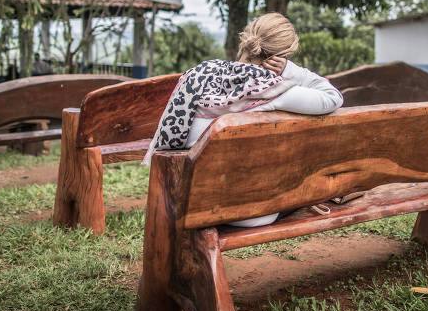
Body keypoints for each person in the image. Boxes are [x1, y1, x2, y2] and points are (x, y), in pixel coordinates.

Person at [143, 12, 344, 227]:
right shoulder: (274, 90)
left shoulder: (201, 74)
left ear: (245, 41)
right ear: (281, 56)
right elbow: (334, 97)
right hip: (249, 213)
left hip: (187, 200)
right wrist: (291, 71)